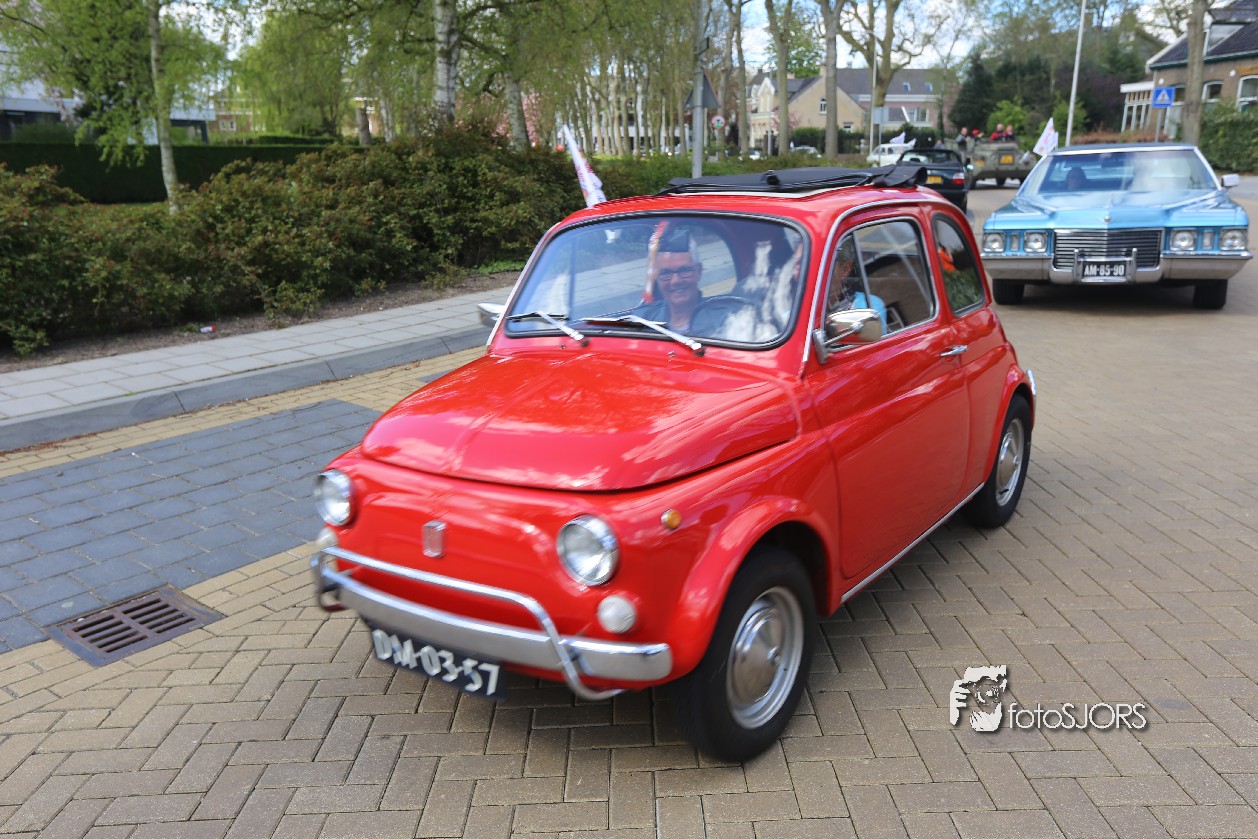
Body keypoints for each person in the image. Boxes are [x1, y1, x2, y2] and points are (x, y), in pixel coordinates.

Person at [640, 226, 703, 331]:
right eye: (665, 273)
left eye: (684, 270)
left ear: (699, 271)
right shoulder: (644, 319)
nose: (676, 281)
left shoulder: (722, 320)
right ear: (656, 277)